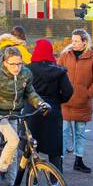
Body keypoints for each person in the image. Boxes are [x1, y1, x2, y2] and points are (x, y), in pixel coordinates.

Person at [0, 46, 48, 186]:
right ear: (5, 62)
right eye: (13, 64)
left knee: (14, 153)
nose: (17, 67)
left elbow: (30, 92)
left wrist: (40, 103)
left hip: (14, 114)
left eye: (19, 63)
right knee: (14, 140)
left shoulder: (26, 74)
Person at [57, 29, 93, 174]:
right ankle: (59, 162)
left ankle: (79, 161)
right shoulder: (65, 55)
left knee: (80, 133)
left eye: (76, 41)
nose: (73, 43)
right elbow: (57, 73)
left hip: (82, 103)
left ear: (85, 42)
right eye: (72, 40)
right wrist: (60, 92)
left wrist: (87, 94)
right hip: (65, 102)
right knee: (63, 133)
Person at [26, 39, 73, 176]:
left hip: (32, 109)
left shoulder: (28, 69)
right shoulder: (59, 71)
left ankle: (33, 180)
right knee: (54, 146)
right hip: (52, 110)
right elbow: (69, 91)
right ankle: (55, 179)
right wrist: (58, 101)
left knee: (31, 147)